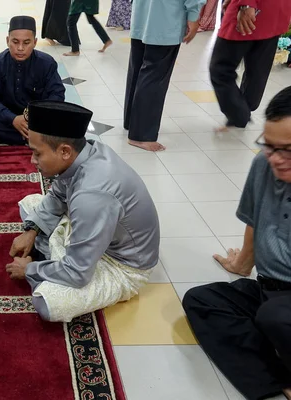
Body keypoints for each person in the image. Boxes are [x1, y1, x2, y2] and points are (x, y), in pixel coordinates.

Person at [5, 100, 160, 322]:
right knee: (29, 204)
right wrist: (32, 230)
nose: (32, 161)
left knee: (47, 303)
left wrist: (30, 270)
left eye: (37, 154)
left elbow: (78, 273)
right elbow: (58, 194)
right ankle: (50, 251)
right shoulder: (86, 150)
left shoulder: (92, 195)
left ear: (65, 151)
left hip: (121, 265)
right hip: (96, 231)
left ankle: (49, 256)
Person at [183, 87, 291, 400]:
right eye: (270, 146)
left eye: (287, 149)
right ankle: (279, 380)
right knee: (202, 300)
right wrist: (243, 264)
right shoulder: (264, 165)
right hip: (271, 291)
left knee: (274, 317)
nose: (276, 159)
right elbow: (255, 220)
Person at [124, 0, 205, 152]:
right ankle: (141, 135)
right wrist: (193, 15)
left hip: (142, 15)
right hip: (166, 19)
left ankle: (132, 123)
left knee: (137, 72)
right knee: (154, 76)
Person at [0, 16, 66, 145]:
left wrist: (36, 117)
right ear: (7, 41)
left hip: (38, 118)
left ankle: (11, 137)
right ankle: (33, 139)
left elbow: (57, 94)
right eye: (15, 42)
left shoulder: (47, 63)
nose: (20, 48)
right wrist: (13, 119)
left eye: (26, 42)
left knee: (65, 119)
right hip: (8, 117)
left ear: (34, 42)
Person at [210, 0, 291, 131]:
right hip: (277, 10)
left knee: (220, 69)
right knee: (258, 69)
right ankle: (242, 113)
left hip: (254, 9)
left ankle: (239, 115)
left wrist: (246, 4)